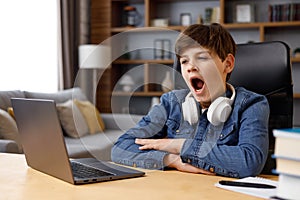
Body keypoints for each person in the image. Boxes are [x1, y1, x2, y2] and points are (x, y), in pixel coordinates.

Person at [111, 23, 269, 178]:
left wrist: (178, 145)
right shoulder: (171, 103)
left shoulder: (252, 104)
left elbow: (249, 161)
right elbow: (121, 148)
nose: (190, 67)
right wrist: (171, 159)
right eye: (184, 61)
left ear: (227, 64)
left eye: (201, 58)